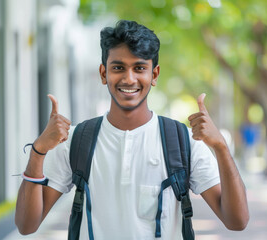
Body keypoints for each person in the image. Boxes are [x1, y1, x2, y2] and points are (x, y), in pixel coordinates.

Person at [15, 20, 249, 239]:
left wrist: (220, 147)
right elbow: (27, 226)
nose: (129, 79)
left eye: (139, 68)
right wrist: (39, 151)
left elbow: (237, 221)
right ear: (103, 73)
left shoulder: (183, 141)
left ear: (154, 75)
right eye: (118, 67)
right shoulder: (77, 140)